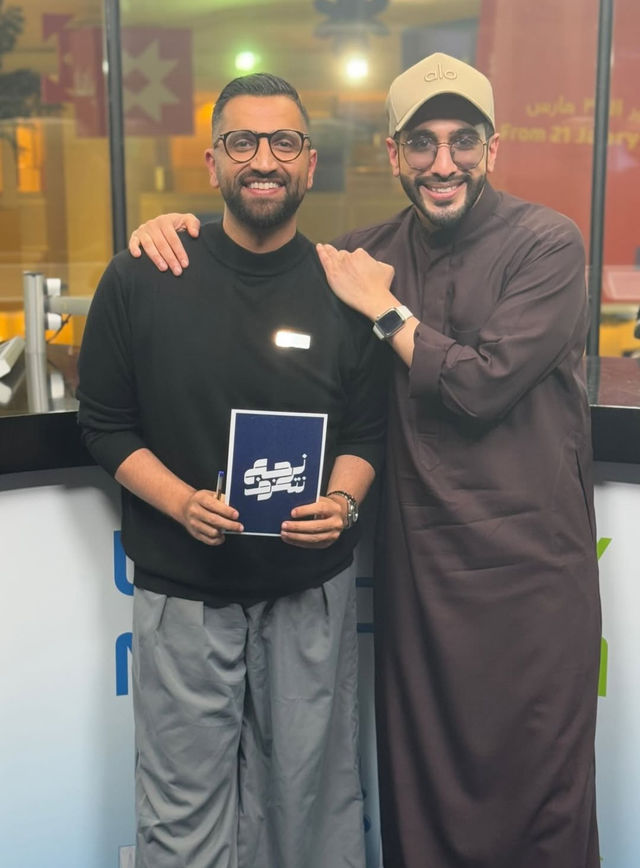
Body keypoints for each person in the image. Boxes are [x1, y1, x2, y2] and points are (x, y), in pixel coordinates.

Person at [129, 53, 602, 868]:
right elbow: (261, 258)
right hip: (422, 576)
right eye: (421, 143)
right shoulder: (360, 252)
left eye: (463, 141)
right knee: (421, 784)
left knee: (538, 789)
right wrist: (175, 231)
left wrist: (384, 310)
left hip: (530, 576)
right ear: (393, 154)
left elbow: (481, 386)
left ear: (494, 148)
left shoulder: (547, 244)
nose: (443, 163)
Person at [77, 73, 387, 868]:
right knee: (182, 820)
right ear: (213, 160)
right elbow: (104, 424)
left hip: (309, 593)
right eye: (242, 141)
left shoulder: (343, 289)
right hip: (185, 593)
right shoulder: (144, 275)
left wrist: (343, 501)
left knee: (311, 815)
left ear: (310, 163)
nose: (264, 159)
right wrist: (182, 502)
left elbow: (368, 430)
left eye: (284, 141)